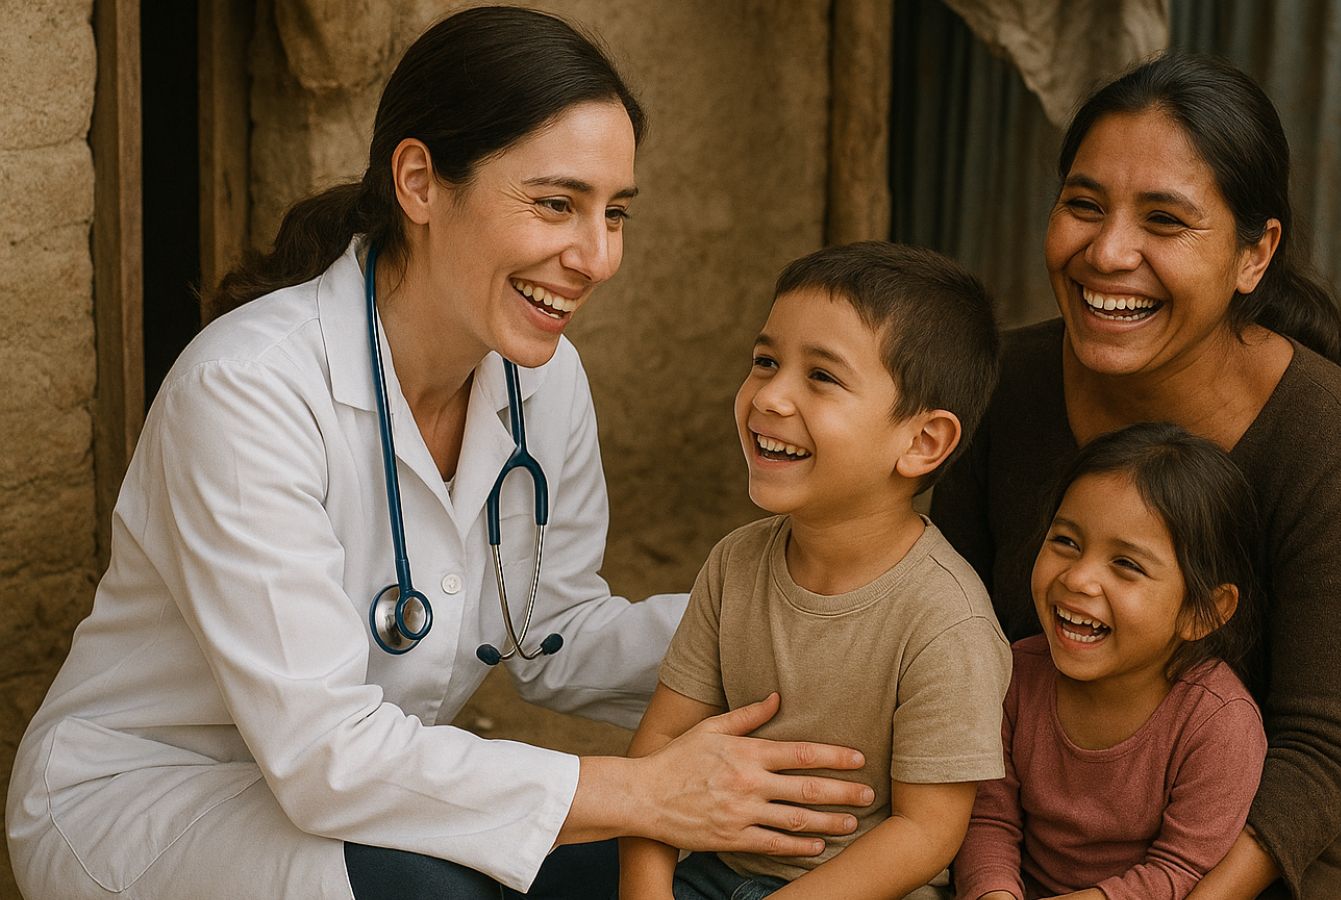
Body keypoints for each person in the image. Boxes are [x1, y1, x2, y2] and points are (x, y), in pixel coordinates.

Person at [6, 8, 874, 899]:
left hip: (357, 801)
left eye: (615, 213)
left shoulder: (544, 380)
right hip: (150, 803)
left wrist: (804, 630)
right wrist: (644, 792)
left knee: (698, 870)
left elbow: (548, 635)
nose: (598, 256)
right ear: (419, 184)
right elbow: (323, 755)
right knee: (453, 887)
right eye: (555, 204)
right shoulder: (247, 388)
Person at [931, 53, 1341, 898]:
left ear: (1254, 253)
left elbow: (1324, 752)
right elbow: (946, 640)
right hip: (1032, 809)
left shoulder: (1326, 442)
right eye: (1084, 205)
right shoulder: (1005, 387)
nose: (1109, 251)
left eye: (1165, 221)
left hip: (1286, 840)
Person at [618, 242, 1013, 900]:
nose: (769, 395)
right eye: (766, 361)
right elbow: (660, 746)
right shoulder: (735, 564)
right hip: (712, 877)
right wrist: (645, 887)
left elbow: (927, 833)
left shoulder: (946, 622)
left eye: (822, 377)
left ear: (922, 442)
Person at [953, 422, 1268, 900]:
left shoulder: (1218, 725)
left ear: (1203, 613)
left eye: (1126, 564)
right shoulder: (1013, 675)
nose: (1078, 578)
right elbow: (988, 818)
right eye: (1066, 542)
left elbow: (1180, 870)